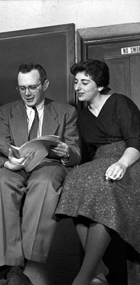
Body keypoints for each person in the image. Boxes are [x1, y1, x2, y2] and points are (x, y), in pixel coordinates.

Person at [0, 63, 81, 285]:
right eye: (22, 88)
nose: (27, 93)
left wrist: (67, 152)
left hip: (48, 165)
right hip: (16, 167)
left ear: (45, 85)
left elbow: (77, 154)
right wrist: (7, 163)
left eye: (32, 87)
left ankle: (26, 263)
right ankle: (13, 268)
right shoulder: (5, 112)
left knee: (44, 182)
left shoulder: (67, 112)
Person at [55, 59, 140, 285]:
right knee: (74, 180)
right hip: (100, 163)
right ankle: (99, 268)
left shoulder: (119, 102)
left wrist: (122, 164)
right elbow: (86, 155)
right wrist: (65, 153)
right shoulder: (82, 116)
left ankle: (84, 277)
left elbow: (136, 141)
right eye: (76, 82)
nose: (78, 87)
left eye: (85, 82)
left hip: (129, 160)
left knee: (104, 186)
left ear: (100, 85)